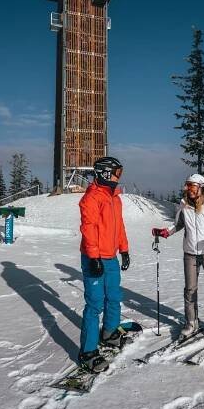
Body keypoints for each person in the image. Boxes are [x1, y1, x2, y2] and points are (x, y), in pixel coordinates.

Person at [152, 173, 204, 340]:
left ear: (201, 187)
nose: (188, 189)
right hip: (190, 253)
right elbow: (177, 224)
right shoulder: (183, 205)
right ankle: (191, 323)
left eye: (192, 186)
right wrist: (165, 232)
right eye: (187, 185)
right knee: (189, 290)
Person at [78, 156, 131, 373]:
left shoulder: (114, 198)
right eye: (117, 172)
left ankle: (109, 332)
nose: (119, 176)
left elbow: (119, 227)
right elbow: (88, 228)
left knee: (114, 296)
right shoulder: (91, 198)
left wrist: (124, 249)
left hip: (111, 257)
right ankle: (88, 351)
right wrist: (93, 257)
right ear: (106, 173)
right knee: (94, 304)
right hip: (95, 257)